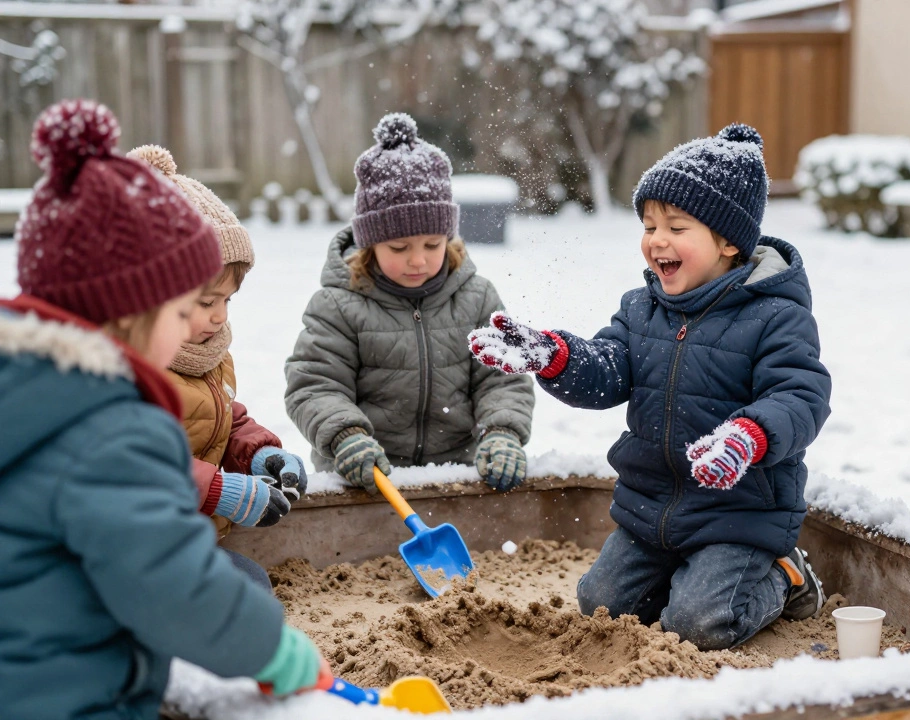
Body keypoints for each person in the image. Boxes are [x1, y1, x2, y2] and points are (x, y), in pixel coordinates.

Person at [0, 99, 323, 719]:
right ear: (129, 311)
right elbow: (175, 587)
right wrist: (277, 653)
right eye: (182, 313)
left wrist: (257, 450)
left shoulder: (36, 391)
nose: (190, 333)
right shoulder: (107, 430)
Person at [469, 125, 832, 650]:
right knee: (601, 605)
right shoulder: (642, 309)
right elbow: (606, 369)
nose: (656, 240)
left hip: (737, 518)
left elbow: (800, 397)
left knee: (699, 625)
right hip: (652, 513)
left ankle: (785, 577)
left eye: (676, 226)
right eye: (648, 224)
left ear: (729, 240)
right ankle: (682, 576)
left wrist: (746, 437)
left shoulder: (776, 317)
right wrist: (554, 356)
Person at [286, 113, 535, 494]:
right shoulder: (337, 305)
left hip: (458, 477)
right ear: (370, 243)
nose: (417, 260)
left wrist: (501, 431)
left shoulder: (476, 297)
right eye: (399, 248)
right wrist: (345, 436)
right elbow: (315, 384)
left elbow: (502, 379)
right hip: (368, 481)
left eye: (433, 245)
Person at [129, 145, 307, 590]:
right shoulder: (120, 371)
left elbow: (221, 418)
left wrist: (260, 453)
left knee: (249, 586)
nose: (220, 316)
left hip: (176, 541)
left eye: (227, 300)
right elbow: (130, 462)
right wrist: (218, 490)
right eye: (206, 302)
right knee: (247, 590)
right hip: (118, 552)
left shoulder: (203, 354)